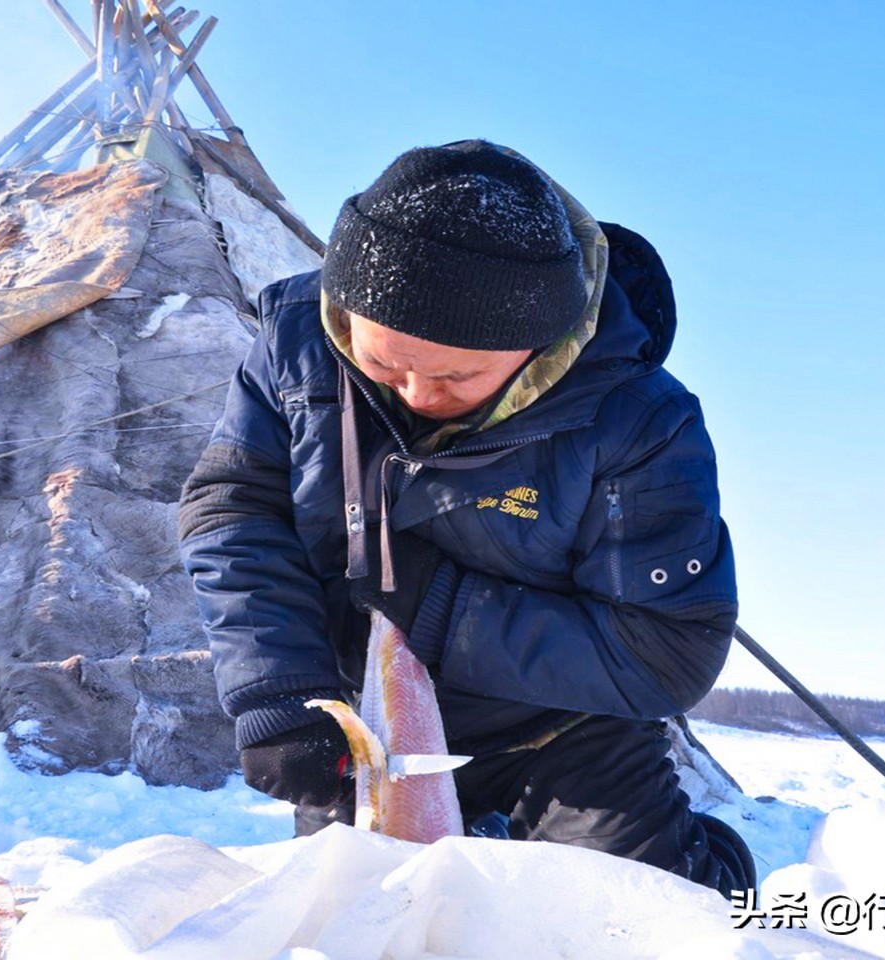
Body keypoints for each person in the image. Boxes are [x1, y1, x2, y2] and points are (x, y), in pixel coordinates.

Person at [178, 140, 755, 894]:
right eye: (384, 364)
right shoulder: (298, 346)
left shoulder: (638, 421)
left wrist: (436, 607)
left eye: (456, 376)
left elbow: (667, 653)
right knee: (358, 922)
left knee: (626, 918)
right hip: (372, 722)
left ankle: (710, 859)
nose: (416, 394)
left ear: (538, 344)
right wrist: (279, 690)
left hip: (559, 728)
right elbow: (235, 509)